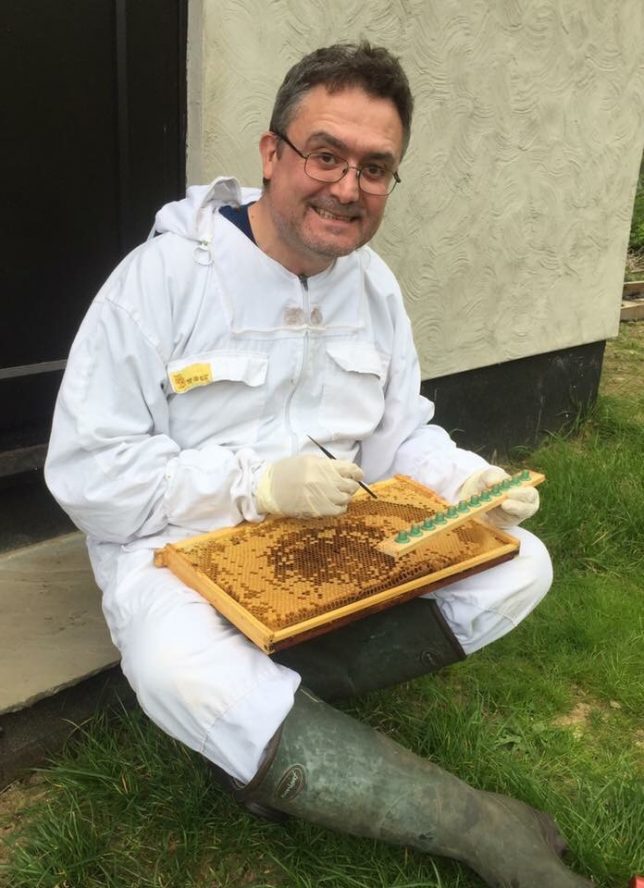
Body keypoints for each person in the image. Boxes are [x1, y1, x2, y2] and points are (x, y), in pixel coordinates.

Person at [45, 42, 592, 888]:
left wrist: (468, 484)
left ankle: (262, 729)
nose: (347, 187)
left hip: (332, 551)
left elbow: (399, 438)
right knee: (177, 667)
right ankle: (479, 827)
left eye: (376, 168)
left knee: (519, 568)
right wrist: (252, 487)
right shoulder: (158, 280)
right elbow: (90, 474)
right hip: (175, 554)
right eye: (326, 155)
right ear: (272, 155)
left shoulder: (372, 288)